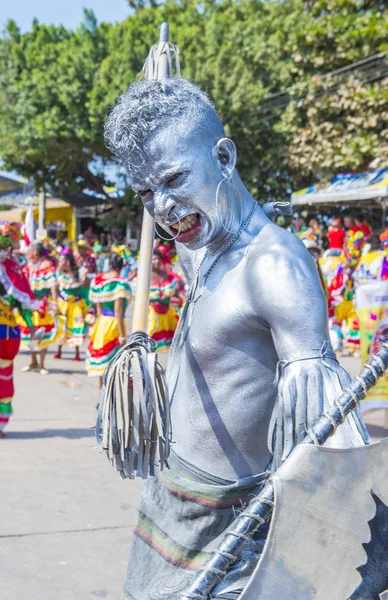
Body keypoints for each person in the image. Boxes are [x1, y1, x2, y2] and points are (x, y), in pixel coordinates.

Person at [104, 78, 369, 599]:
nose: (161, 207)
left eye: (176, 179)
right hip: (172, 498)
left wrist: (313, 560)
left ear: (224, 157)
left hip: (235, 532)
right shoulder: (198, 244)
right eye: (145, 193)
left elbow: (322, 443)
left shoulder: (274, 266)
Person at [0, 223, 41, 437]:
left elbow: (24, 303)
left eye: (4, 249)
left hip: (7, 335)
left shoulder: (13, 270)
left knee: (4, 379)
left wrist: (32, 326)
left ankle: (0, 424)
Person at [16, 242, 64, 375]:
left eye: (29, 251)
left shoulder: (46, 265)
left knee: (42, 333)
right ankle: (33, 361)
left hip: (43, 304)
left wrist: (54, 303)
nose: (27, 253)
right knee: (31, 333)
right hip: (30, 304)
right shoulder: (28, 266)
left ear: (35, 252)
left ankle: (42, 364)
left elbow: (53, 286)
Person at [86, 252, 132, 386]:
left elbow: (98, 306)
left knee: (102, 364)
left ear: (110, 264)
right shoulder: (120, 283)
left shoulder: (99, 281)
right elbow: (118, 309)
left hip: (102, 322)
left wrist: (99, 322)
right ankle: (112, 398)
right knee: (115, 363)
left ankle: (101, 397)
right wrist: (122, 335)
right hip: (114, 323)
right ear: (122, 266)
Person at [55, 249, 90, 361]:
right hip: (63, 304)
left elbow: (87, 285)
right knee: (61, 327)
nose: (59, 264)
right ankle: (59, 351)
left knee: (77, 326)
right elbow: (54, 288)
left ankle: (77, 353)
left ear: (67, 262)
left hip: (76, 306)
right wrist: (55, 303)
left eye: (61, 261)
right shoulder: (59, 274)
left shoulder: (80, 273)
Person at [147, 249, 182, 350]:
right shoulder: (146, 275)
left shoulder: (166, 275)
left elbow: (175, 292)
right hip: (151, 313)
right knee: (150, 335)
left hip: (166, 312)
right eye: (154, 259)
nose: (156, 261)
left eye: (158, 259)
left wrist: (185, 300)